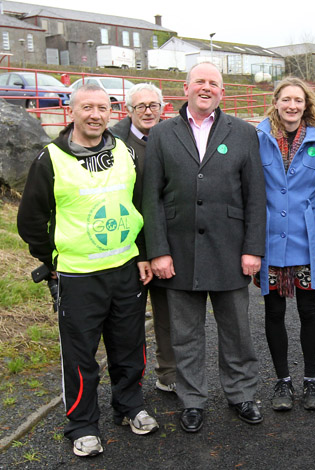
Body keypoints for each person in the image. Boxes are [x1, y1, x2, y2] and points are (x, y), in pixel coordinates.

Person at [17, 84, 159, 458]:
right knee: (80, 356)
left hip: (125, 269)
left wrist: (142, 253)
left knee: (130, 348)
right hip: (77, 277)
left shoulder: (126, 152)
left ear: (110, 112)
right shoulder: (50, 159)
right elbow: (31, 220)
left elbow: (138, 207)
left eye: (102, 107)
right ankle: (82, 425)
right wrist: (52, 260)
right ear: (72, 110)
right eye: (87, 107)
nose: (95, 114)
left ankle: (130, 407)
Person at [142, 62, 267, 433]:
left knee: (237, 332)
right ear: (186, 88)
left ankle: (242, 394)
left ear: (222, 92)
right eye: (200, 81)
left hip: (230, 249)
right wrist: (158, 250)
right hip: (178, 252)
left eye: (214, 83)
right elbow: (152, 199)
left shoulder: (243, 133)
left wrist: (252, 248)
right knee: (185, 334)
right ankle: (192, 400)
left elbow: (255, 196)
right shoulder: (162, 134)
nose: (206, 87)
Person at [254, 77, 315, 411]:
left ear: (307, 104)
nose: (292, 106)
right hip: (270, 240)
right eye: (286, 99)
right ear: (276, 102)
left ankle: (311, 382)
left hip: (305, 239)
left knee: (308, 311)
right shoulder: (257, 138)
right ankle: (283, 382)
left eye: (298, 101)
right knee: (274, 312)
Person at [110, 83, 177, 394]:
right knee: (128, 321)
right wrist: (139, 252)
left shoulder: (172, 137)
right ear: (128, 111)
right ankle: (129, 386)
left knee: (168, 316)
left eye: (154, 105)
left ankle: (169, 375)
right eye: (141, 106)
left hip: (163, 243)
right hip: (128, 246)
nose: (148, 111)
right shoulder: (114, 144)